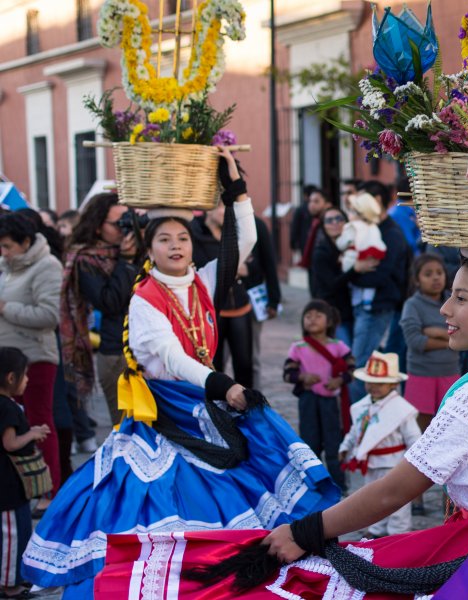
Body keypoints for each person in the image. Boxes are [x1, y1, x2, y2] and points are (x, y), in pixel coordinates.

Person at [96, 257, 468, 600]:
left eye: (460, 297)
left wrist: (307, 530)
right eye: (447, 293)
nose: (445, 309)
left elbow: (399, 490)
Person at [21, 150, 341, 596]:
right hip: (166, 410)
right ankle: (169, 579)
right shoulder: (144, 297)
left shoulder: (203, 282)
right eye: (165, 240)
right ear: (148, 249)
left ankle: (241, 560)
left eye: (183, 239)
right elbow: (171, 358)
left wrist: (236, 190)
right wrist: (225, 384)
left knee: (257, 459)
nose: (176, 246)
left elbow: (243, 241)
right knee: (160, 492)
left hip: (205, 401)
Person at [60, 193, 139, 425]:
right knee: (126, 432)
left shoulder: (141, 250)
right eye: (118, 224)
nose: (124, 229)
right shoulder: (86, 259)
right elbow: (109, 302)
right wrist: (125, 262)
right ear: (97, 228)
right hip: (117, 353)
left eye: (128, 221)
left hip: (147, 349)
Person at [0, 213, 62, 499]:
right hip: (7, 358)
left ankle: (50, 490)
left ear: (25, 242)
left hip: (35, 359)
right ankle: (23, 485)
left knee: (38, 422)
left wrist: (5, 308)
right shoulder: (6, 266)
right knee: (11, 424)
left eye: (8, 245)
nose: (4, 252)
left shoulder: (47, 266)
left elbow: (50, 315)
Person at [339, 352, 421, 536]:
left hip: (394, 464)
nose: (374, 387)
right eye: (370, 382)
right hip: (372, 463)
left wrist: (414, 464)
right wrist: (345, 447)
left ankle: (398, 533)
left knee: (397, 501)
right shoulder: (362, 406)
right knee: (373, 499)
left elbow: (414, 439)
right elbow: (355, 430)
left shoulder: (402, 410)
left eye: (380, 383)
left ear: (393, 384)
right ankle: (377, 529)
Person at [346, 185, 410, 401]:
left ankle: (361, 418)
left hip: (377, 306)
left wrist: (353, 273)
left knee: (361, 365)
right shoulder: (372, 229)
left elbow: (380, 275)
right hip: (365, 305)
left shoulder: (390, 234)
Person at [284, 299, 354, 492]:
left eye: (318, 316)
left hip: (331, 402)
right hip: (308, 400)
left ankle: (339, 483)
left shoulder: (338, 346)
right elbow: (288, 373)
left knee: (333, 441)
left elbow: (351, 369)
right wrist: (303, 377)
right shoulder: (298, 347)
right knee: (309, 441)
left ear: (329, 322)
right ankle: (313, 483)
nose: (312, 320)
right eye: (308, 316)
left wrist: (338, 381)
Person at [0, 347, 50, 600]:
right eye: (25, 375)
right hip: (7, 487)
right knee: (11, 535)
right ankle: (10, 586)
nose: (28, 379)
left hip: (14, 487)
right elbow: (9, 443)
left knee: (20, 531)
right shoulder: (6, 408)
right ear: (11, 378)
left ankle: (17, 578)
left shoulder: (8, 404)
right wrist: (31, 434)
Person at [191, 201, 255, 387]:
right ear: (209, 210)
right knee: (214, 363)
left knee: (244, 363)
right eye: (222, 208)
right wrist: (233, 267)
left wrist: (241, 268)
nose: (228, 214)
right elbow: (203, 267)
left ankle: (246, 404)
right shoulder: (196, 236)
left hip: (240, 306)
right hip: (213, 308)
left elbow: (253, 267)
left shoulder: (235, 235)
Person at [400, 254, 459, 433]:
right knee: (421, 432)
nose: (435, 277)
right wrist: (450, 341)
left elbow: (464, 333)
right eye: (428, 274)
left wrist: (434, 332)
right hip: (421, 375)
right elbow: (415, 341)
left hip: (450, 373)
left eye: (439, 273)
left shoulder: (455, 301)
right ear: (417, 280)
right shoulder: (412, 305)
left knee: (448, 428)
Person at [243, 215, 282, 389]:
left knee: (252, 355)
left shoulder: (256, 224)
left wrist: (274, 300)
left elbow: (269, 262)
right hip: (219, 300)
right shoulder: (210, 225)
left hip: (251, 296)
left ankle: (253, 398)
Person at [311, 206, 359, 347]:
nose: (335, 223)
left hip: (352, 311)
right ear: (323, 226)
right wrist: (355, 270)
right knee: (345, 353)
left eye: (339, 219)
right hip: (334, 314)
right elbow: (331, 285)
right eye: (329, 220)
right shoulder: (321, 252)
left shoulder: (350, 246)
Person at [336, 192, 387, 310]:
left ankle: (357, 300)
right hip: (374, 255)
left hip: (356, 256)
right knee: (368, 280)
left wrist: (340, 246)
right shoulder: (373, 226)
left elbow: (342, 243)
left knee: (352, 278)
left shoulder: (351, 226)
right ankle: (368, 300)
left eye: (351, 210)